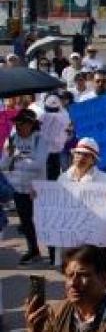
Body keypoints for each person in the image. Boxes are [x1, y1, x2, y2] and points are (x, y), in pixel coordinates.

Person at [1, 109, 48, 264]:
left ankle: (55, 254)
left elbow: (39, 164)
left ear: (30, 124)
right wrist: (9, 156)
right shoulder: (12, 139)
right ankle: (33, 250)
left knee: (44, 222)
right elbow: (3, 165)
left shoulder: (40, 140)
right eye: (16, 124)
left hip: (37, 189)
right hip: (18, 188)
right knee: (26, 222)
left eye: (21, 124)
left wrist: (18, 158)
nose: (18, 127)